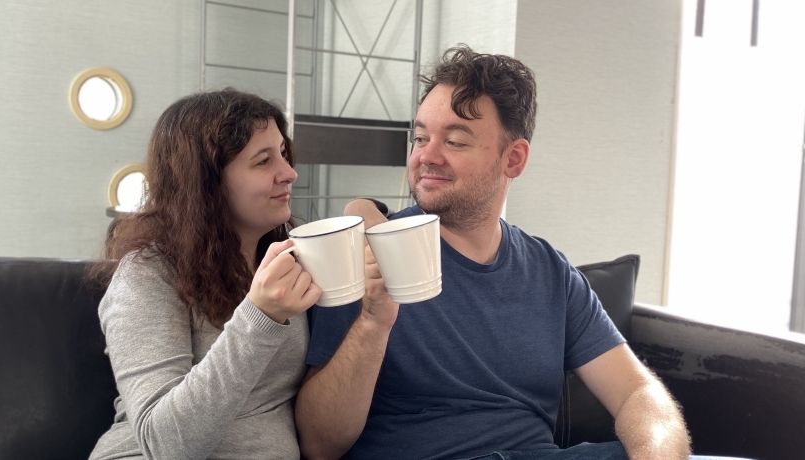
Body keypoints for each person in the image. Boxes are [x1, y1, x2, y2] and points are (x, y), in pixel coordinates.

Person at [294, 46, 692, 460]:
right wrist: (373, 322)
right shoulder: (363, 254)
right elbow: (320, 445)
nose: (427, 156)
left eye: (454, 141)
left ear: (513, 159)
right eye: (421, 138)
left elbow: (637, 393)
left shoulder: (550, 273)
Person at [89, 89, 320, 459]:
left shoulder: (288, 259)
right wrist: (260, 318)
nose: (289, 173)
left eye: (283, 153)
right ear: (207, 184)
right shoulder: (147, 274)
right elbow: (164, 445)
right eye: (263, 161)